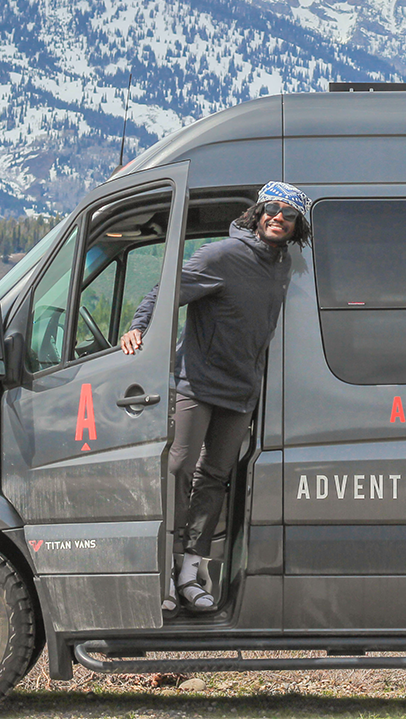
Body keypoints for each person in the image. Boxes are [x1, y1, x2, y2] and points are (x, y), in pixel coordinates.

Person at [118, 181, 311, 612]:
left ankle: (191, 569)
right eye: (272, 209)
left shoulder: (283, 264)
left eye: (289, 214)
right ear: (257, 214)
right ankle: (164, 571)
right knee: (179, 468)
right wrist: (139, 326)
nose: (279, 217)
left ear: (297, 227)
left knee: (215, 478)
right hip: (197, 383)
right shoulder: (221, 255)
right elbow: (165, 292)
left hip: (242, 390)